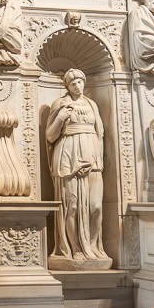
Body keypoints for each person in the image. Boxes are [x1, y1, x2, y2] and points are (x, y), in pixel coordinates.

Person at [45, 69, 110, 265]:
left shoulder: (92, 105)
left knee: (96, 206)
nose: (78, 86)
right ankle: (74, 248)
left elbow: (100, 134)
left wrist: (96, 157)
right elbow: (50, 136)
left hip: (91, 157)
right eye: (73, 83)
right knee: (71, 207)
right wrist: (60, 118)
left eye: (80, 82)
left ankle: (93, 246)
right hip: (67, 156)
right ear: (67, 86)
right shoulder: (60, 104)